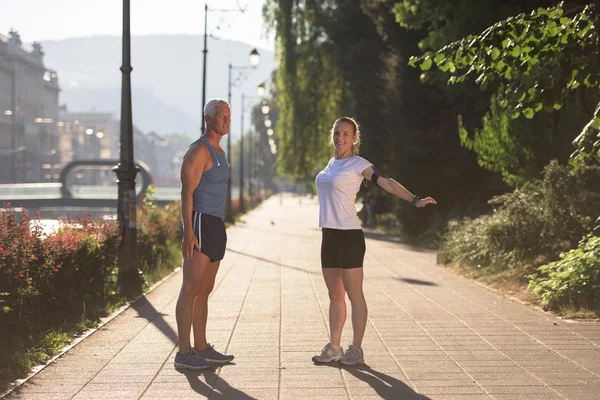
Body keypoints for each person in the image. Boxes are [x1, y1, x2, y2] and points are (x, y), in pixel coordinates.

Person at [312, 117, 437, 366]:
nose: (341, 138)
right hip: (329, 235)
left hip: (349, 236)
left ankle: (356, 349)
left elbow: (386, 181)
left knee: (353, 294)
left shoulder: (359, 164)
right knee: (334, 294)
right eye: (337, 133)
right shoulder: (330, 164)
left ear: (355, 138)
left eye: (346, 134)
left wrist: (415, 200)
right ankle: (334, 347)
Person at [174, 99, 235, 369]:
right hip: (199, 222)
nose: (225, 120)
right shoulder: (199, 151)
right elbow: (186, 193)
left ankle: (201, 347)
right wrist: (188, 232)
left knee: (205, 290)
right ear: (207, 118)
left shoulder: (220, 152)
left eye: (228, 116)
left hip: (215, 225)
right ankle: (183, 353)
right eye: (220, 116)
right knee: (191, 288)